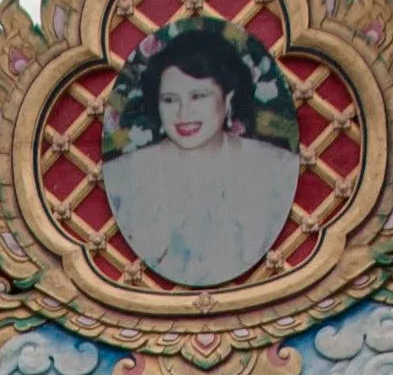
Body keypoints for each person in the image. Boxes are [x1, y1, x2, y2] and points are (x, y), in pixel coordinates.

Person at [98, 23, 303, 287]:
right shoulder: (125, 175)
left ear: (227, 99)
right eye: (170, 100)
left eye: (198, 96)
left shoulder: (274, 168)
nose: (183, 113)